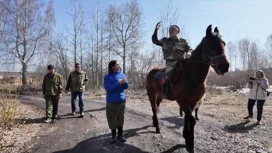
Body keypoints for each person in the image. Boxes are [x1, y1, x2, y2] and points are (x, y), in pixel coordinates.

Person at [152, 22, 192, 98]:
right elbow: (155, 41)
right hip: (171, 62)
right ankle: (164, 90)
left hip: (182, 61)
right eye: (170, 29)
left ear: (177, 31)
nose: (170, 30)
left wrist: (189, 53)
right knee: (168, 72)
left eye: (173, 29)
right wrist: (156, 31)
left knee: (194, 70)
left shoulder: (183, 41)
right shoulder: (164, 41)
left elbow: (189, 49)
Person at [103, 60, 128, 144]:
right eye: (117, 65)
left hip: (121, 100)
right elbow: (108, 89)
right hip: (111, 102)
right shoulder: (107, 77)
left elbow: (126, 87)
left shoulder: (121, 74)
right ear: (112, 67)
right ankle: (113, 137)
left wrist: (125, 83)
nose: (119, 66)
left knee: (120, 119)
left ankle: (120, 136)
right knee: (112, 119)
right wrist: (118, 83)